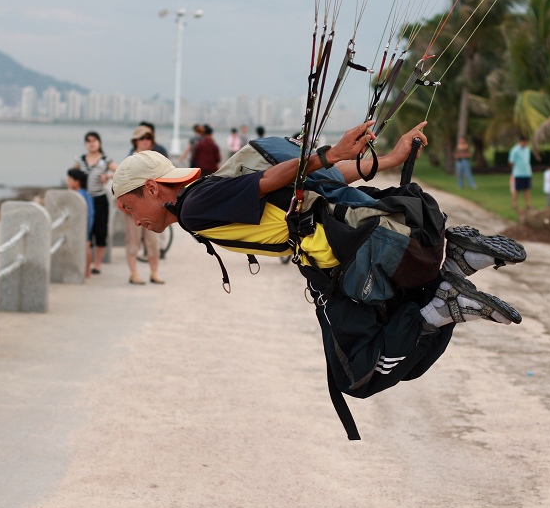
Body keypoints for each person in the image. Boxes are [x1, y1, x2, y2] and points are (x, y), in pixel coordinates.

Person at [112, 120, 526, 439]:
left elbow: (274, 179)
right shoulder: (214, 189)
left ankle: (443, 304)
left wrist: (329, 154)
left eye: (129, 207)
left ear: (151, 188)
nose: (133, 218)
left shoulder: (194, 207)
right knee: (404, 358)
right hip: (370, 244)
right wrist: (389, 161)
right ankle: (453, 268)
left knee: (361, 375)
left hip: (351, 260)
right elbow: (313, 183)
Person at [121, 126, 165, 284]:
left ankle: (154, 272)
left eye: (148, 138)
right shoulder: (129, 161)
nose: (146, 141)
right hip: (134, 208)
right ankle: (134, 273)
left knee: (153, 242)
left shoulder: (156, 159)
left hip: (154, 207)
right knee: (133, 241)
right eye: (142, 138)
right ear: (135, 141)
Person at [73, 131, 117, 274]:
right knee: (85, 231)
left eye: (94, 140)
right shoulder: (80, 160)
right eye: (88, 141)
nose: (91, 144)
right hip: (84, 199)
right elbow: (71, 174)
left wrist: (108, 176)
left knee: (100, 231)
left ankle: (97, 264)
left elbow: (120, 171)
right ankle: (86, 262)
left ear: (99, 142)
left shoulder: (106, 159)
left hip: (99, 199)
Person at [67, 167, 94, 278]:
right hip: (88, 222)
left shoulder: (78, 195)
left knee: (85, 247)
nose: (67, 182)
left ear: (76, 181)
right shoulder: (86, 193)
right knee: (87, 247)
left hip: (82, 224)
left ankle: (85, 272)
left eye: (69, 179)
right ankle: (87, 271)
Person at [508, 134, 533, 212]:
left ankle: (528, 204)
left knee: (527, 189)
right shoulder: (515, 150)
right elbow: (511, 162)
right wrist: (515, 169)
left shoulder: (527, 149)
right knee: (516, 189)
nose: (524, 143)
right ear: (520, 141)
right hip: (518, 173)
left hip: (527, 172)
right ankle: (514, 204)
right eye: (523, 142)